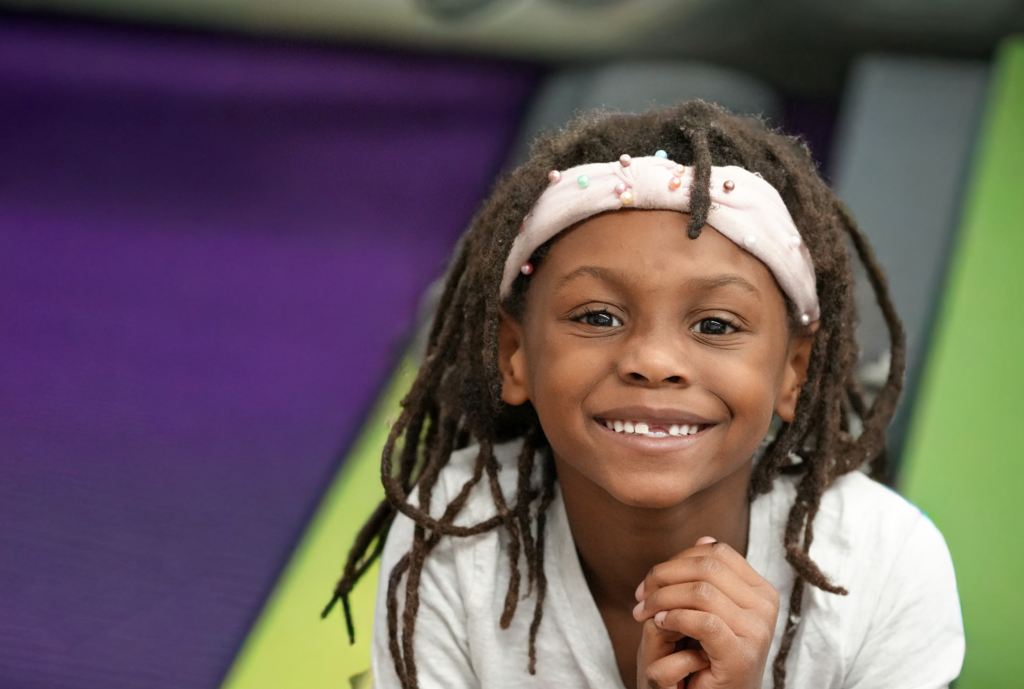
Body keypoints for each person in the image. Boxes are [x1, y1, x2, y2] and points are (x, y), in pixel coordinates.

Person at [323, 101, 964, 689]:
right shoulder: (455, 535)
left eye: (716, 325)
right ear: (513, 355)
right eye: (598, 317)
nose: (654, 362)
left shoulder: (885, 562)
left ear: (794, 371)